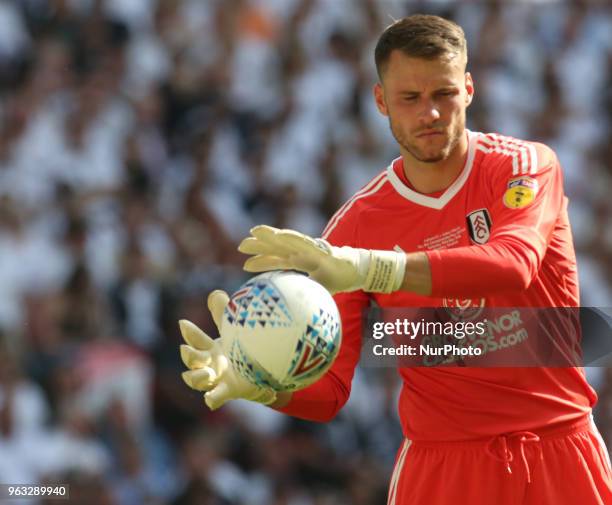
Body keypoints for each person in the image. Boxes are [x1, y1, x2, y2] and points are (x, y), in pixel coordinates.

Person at [178, 14, 612, 505]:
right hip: (442, 467)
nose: (430, 114)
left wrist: (372, 267)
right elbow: (329, 389)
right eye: (410, 98)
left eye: (443, 94)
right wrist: (258, 382)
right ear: (381, 101)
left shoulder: (523, 166)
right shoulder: (355, 227)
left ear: (468, 89)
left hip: (559, 448)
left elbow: (514, 263)